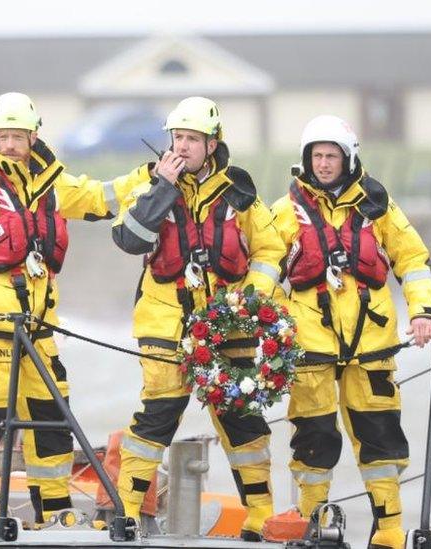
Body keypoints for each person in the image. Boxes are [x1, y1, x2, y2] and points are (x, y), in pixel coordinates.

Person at [0, 92, 132, 542]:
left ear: (32, 137)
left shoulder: (47, 183)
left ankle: (55, 508)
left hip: (38, 326)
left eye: (17, 136)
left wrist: (148, 179)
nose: (9, 144)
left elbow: (96, 197)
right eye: (2, 136)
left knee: (50, 417)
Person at [110, 96, 286, 540]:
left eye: (193, 139)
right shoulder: (150, 185)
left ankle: (261, 513)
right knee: (158, 415)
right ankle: (127, 511)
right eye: (178, 138)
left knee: (241, 418)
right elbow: (129, 240)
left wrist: (250, 299)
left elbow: (269, 250)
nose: (183, 147)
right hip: (164, 320)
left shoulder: (239, 194)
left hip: (227, 324)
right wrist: (162, 189)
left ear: (212, 144)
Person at [270, 115, 431, 549]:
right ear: (306, 160)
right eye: (317, 156)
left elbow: (413, 259)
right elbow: (262, 270)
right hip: (309, 345)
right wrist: (272, 323)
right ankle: (310, 525)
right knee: (313, 440)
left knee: (382, 441)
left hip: (372, 345)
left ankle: (389, 531)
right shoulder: (285, 211)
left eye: (332, 156)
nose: (324, 164)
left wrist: (423, 313)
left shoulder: (379, 207)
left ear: (348, 158)